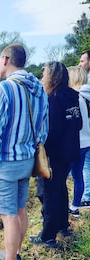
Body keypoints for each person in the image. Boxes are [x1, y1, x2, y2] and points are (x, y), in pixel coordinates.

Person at [0, 44, 49, 260]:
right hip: (27, 160)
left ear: (6, 59)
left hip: (4, 162)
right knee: (20, 210)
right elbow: (43, 127)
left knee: (9, 216)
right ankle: (15, 254)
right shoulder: (38, 88)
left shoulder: (4, 89)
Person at [29, 62, 82, 248]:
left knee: (48, 193)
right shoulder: (73, 96)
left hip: (54, 153)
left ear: (52, 76)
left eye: (44, 73)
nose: (42, 77)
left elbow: (50, 130)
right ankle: (62, 225)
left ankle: (47, 235)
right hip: (70, 151)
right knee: (60, 188)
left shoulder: (52, 98)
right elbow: (79, 123)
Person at [67, 66, 90, 216]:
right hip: (87, 140)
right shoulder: (87, 96)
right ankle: (76, 205)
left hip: (77, 142)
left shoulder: (76, 97)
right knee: (79, 175)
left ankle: (74, 206)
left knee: (73, 175)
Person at [78, 50, 90, 208]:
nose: (80, 64)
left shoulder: (85, 87)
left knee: (86, 165)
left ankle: (87, 196)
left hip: (87, 134)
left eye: (82, 61)